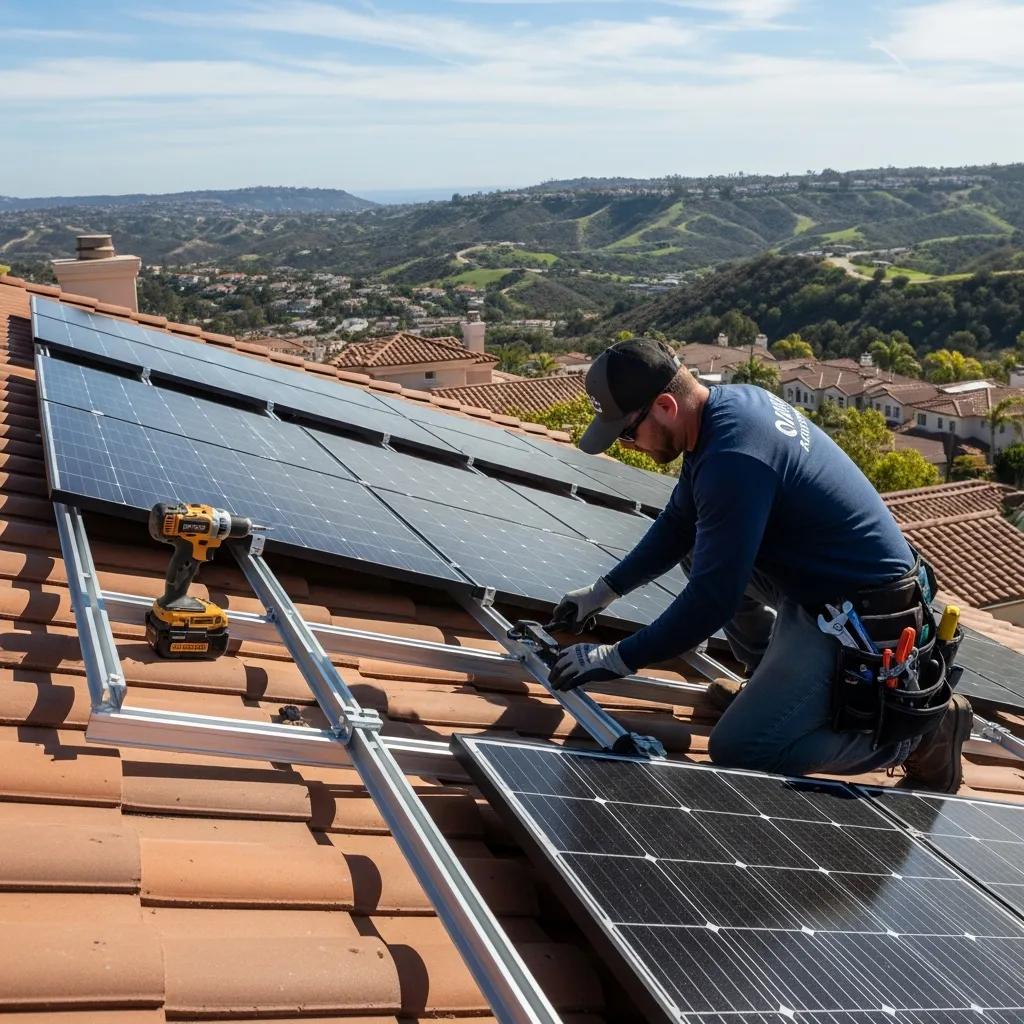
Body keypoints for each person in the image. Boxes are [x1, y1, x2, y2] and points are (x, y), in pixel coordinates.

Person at [549, 337, 971, 792]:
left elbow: (712, 601)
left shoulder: (734, 459)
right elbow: (678, 525)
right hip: (819, 583)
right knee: (700, 544)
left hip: (857, 615)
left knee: (740, 750)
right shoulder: (727, 411)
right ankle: (766, 680)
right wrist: (602, 592)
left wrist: (617, 657)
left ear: (666, 406)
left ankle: (923, 737)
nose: (630, 446)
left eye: (628, 433)